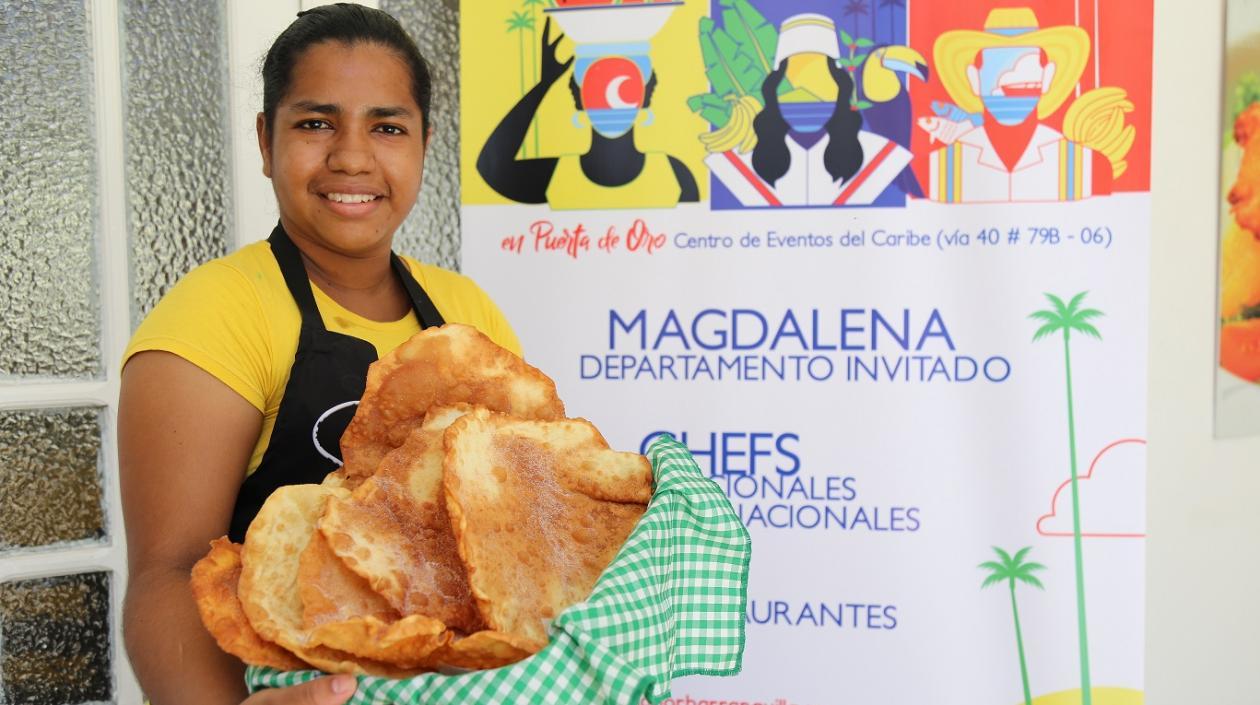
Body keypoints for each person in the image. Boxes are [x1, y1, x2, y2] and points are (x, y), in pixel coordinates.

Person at [117, 6, 520, 704]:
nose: (352, 156)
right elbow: (168, 572)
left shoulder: (467, 313)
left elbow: (512, 529)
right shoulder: (218, 312)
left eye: (387, 127)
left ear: (424, 144)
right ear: (265, 141)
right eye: (315, 123)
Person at [476, 16, 699, 209]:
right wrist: (543, 85)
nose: (611, 100)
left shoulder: (674, 176)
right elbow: (491, 167)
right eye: (597, 87)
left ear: (645, 97)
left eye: (625, 88)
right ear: (579, 99)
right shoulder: (558, 176)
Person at [705, 13, 915, 208]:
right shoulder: (734, 164)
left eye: (820, 83)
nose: (807, 94)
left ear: (841, 88)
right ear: (773, 89)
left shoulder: (880, 156)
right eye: (792, 85)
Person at [927, 8, 1113, 203]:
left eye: (1025, 68)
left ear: (1047, 76)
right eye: (997, 66)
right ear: (974, 78)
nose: (1008, 79)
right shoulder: (937, 170)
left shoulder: (1088, 167)